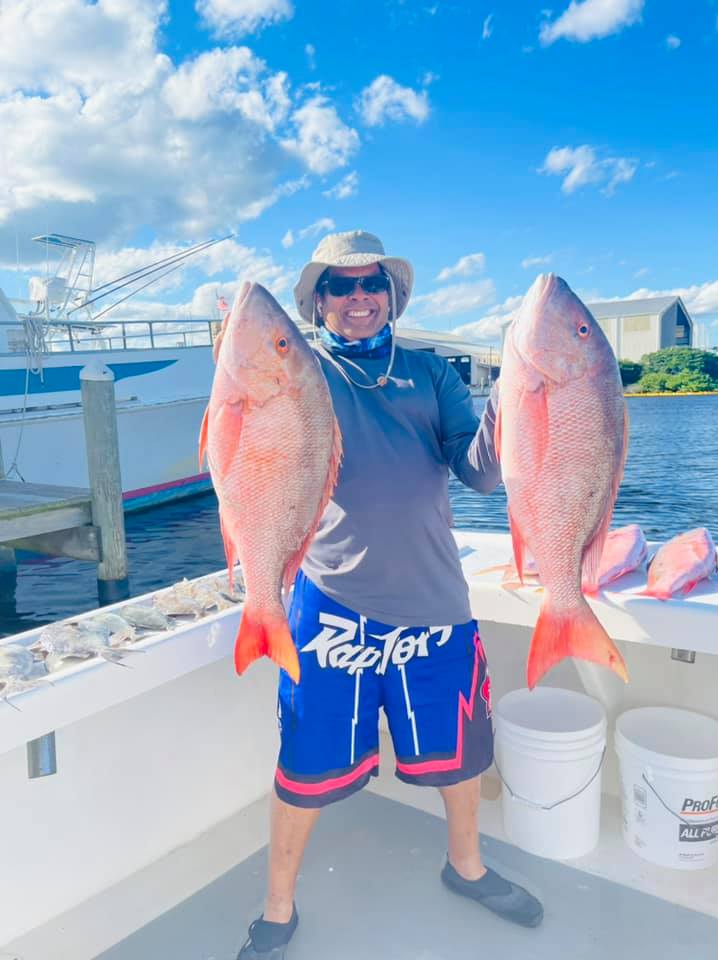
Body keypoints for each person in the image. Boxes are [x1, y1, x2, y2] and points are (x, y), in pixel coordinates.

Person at [238, 231, 543, 959]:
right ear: (317, 302)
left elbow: (477, 474)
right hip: (329, 603)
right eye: (339, 287)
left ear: (392, 294)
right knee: (306, 759)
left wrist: (507, 403)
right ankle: (278, 906)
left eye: (370, 283)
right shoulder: (299, 372)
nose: (358, 298)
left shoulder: (431, 375)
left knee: (459, 755)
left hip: (434, 600)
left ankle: (465, 866)